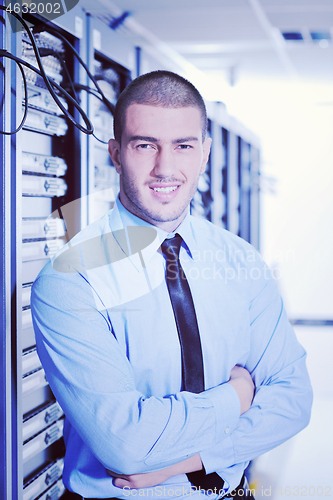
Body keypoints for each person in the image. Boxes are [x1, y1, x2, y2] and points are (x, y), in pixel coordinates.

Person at [31, 71, 312, 500]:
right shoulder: (70, 281)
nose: (165, 167)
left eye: (183, 146)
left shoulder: (240, 261)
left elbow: (293, 401)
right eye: (145, 145)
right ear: (116, 153)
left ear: (204, 153)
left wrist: (186, 463)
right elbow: (126, 445)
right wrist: (238, 397)